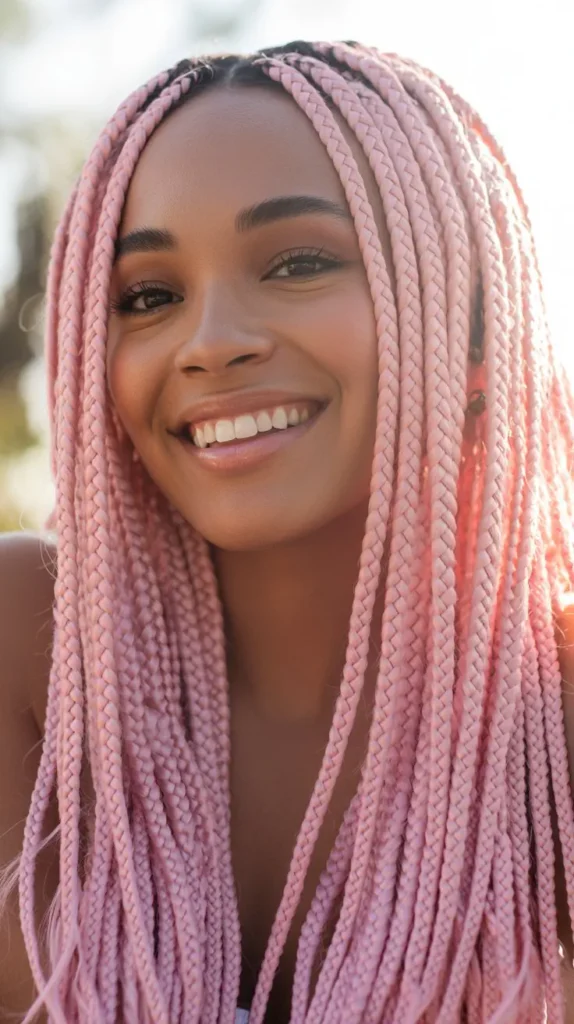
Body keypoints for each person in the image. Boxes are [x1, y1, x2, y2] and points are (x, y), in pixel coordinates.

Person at [1, 37, 574, 1024]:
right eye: (149, 296)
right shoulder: (28, 646)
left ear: (478, 327)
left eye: (299, 262)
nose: (212, 341)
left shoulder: (551, 713)